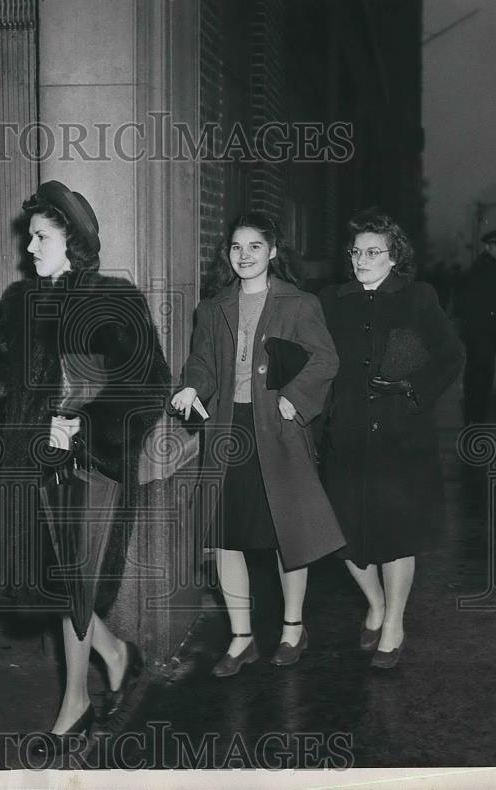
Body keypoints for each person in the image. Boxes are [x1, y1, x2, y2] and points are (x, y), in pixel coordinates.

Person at [0, 181, 171, 753]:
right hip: (34, 465)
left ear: (72, 240)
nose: (29, 247)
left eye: (41, 237)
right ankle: (118, 654)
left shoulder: (113, 299)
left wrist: (83, 425)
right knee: (56, 583)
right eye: (30, 237)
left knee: (72, 581)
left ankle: (74, 707)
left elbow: (148, 383)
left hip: (91, 467)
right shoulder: (21, 303)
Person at [172, 212, 345, 674]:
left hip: (279, 430)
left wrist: (295, 398)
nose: (243, 255)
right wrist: (192, 386)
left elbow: (326, 360)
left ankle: (292, 630)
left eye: (253, 246)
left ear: (271, 251)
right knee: (226, 537)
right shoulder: (213, 307)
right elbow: (202, 361)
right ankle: (241, 638)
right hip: (229, 431)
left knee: (288, 534)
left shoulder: (299, 303)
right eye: (235, 247)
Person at [319, 209, 465, 669]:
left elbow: (450, 354)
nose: (361, 259)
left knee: (396, 533)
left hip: (401, 435)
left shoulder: (418, 297)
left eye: (373, 252)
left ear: (393, 256)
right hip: (347, 435)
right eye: (356, 252)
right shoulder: (332, 300)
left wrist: (413, 388)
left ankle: (394, 624)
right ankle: (376, 604)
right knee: (343, 532)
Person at [455, 228, 496, 423]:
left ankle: (473, 416)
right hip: (483, 333)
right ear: (487, 246)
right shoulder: (485, 268)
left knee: (478, 375)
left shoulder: (485, 266)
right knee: (481, 377)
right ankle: (476, 418)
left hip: (481, 333)